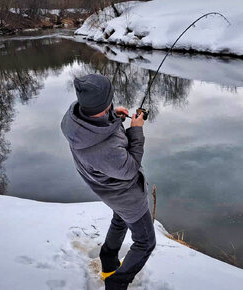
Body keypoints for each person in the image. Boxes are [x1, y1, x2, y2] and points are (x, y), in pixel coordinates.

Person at [60, 74, 156, 290]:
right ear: (102, 105)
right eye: (109, 102)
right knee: (145, 242)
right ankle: (116, 284)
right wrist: (136, 129)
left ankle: (108, 260)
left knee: (120, 220)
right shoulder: (103, 149)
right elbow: (130, 168)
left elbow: (100, 127)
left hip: (108, 191)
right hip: (126, 196)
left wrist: (112, 115)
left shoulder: (76, 117)